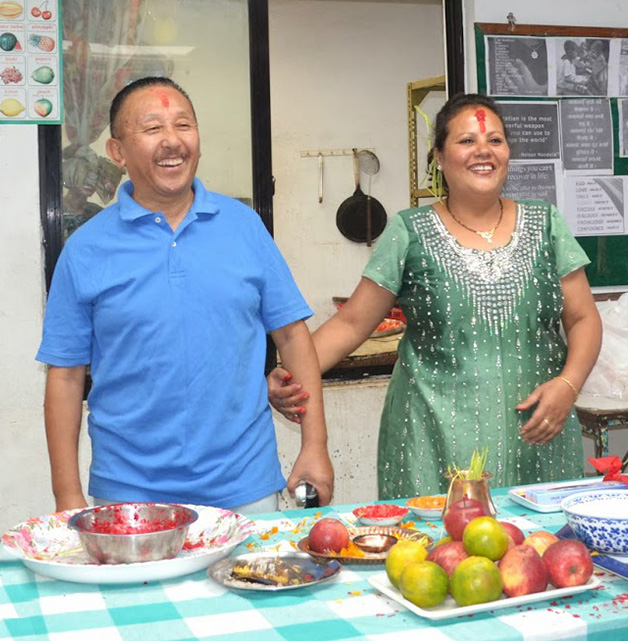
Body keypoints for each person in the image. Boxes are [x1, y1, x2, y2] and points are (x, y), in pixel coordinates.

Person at [270, 93, 602, 499]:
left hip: (537, 433)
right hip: (433, 441)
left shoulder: (546, 224)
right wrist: (291, 374)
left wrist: (568, 385)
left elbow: (583, 318)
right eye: (466, 141)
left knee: (539, 554)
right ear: (440, 158)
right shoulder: (411, 231)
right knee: (434, 558)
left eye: (495, 141)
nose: (483, 151)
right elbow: (352, 323)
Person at [37, 76, 334, 514]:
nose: (172, 141)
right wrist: (67, 496)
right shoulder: (86, 249)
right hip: (129, 492)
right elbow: (64, 376)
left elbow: (292, 337)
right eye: (153, 128)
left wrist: (315, 445)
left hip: (245, 486)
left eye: (184, 125)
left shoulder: (244, 226)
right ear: (117, 152)